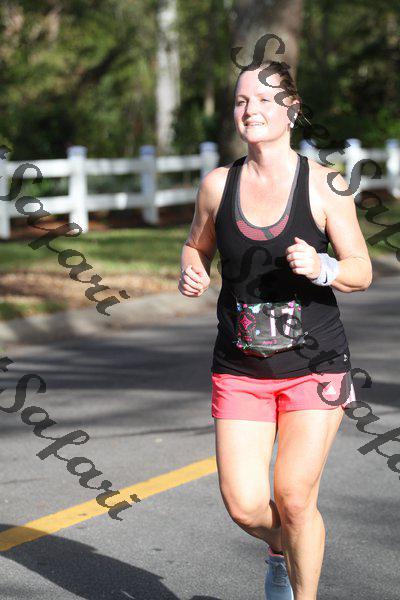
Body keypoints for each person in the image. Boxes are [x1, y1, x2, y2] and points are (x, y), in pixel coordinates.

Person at [178, 60, 372, 600]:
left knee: (293, 496)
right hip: (240, 369)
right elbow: (195, 244)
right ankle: (288, 548)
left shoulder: (325, 184)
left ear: (291, 109)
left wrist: (324, 267)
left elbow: (361, 270)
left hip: (315, 366)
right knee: (244, 505)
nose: (251, 110)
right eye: (242, 101)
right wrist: (192, 268)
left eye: (264, 99)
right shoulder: (219, 185)